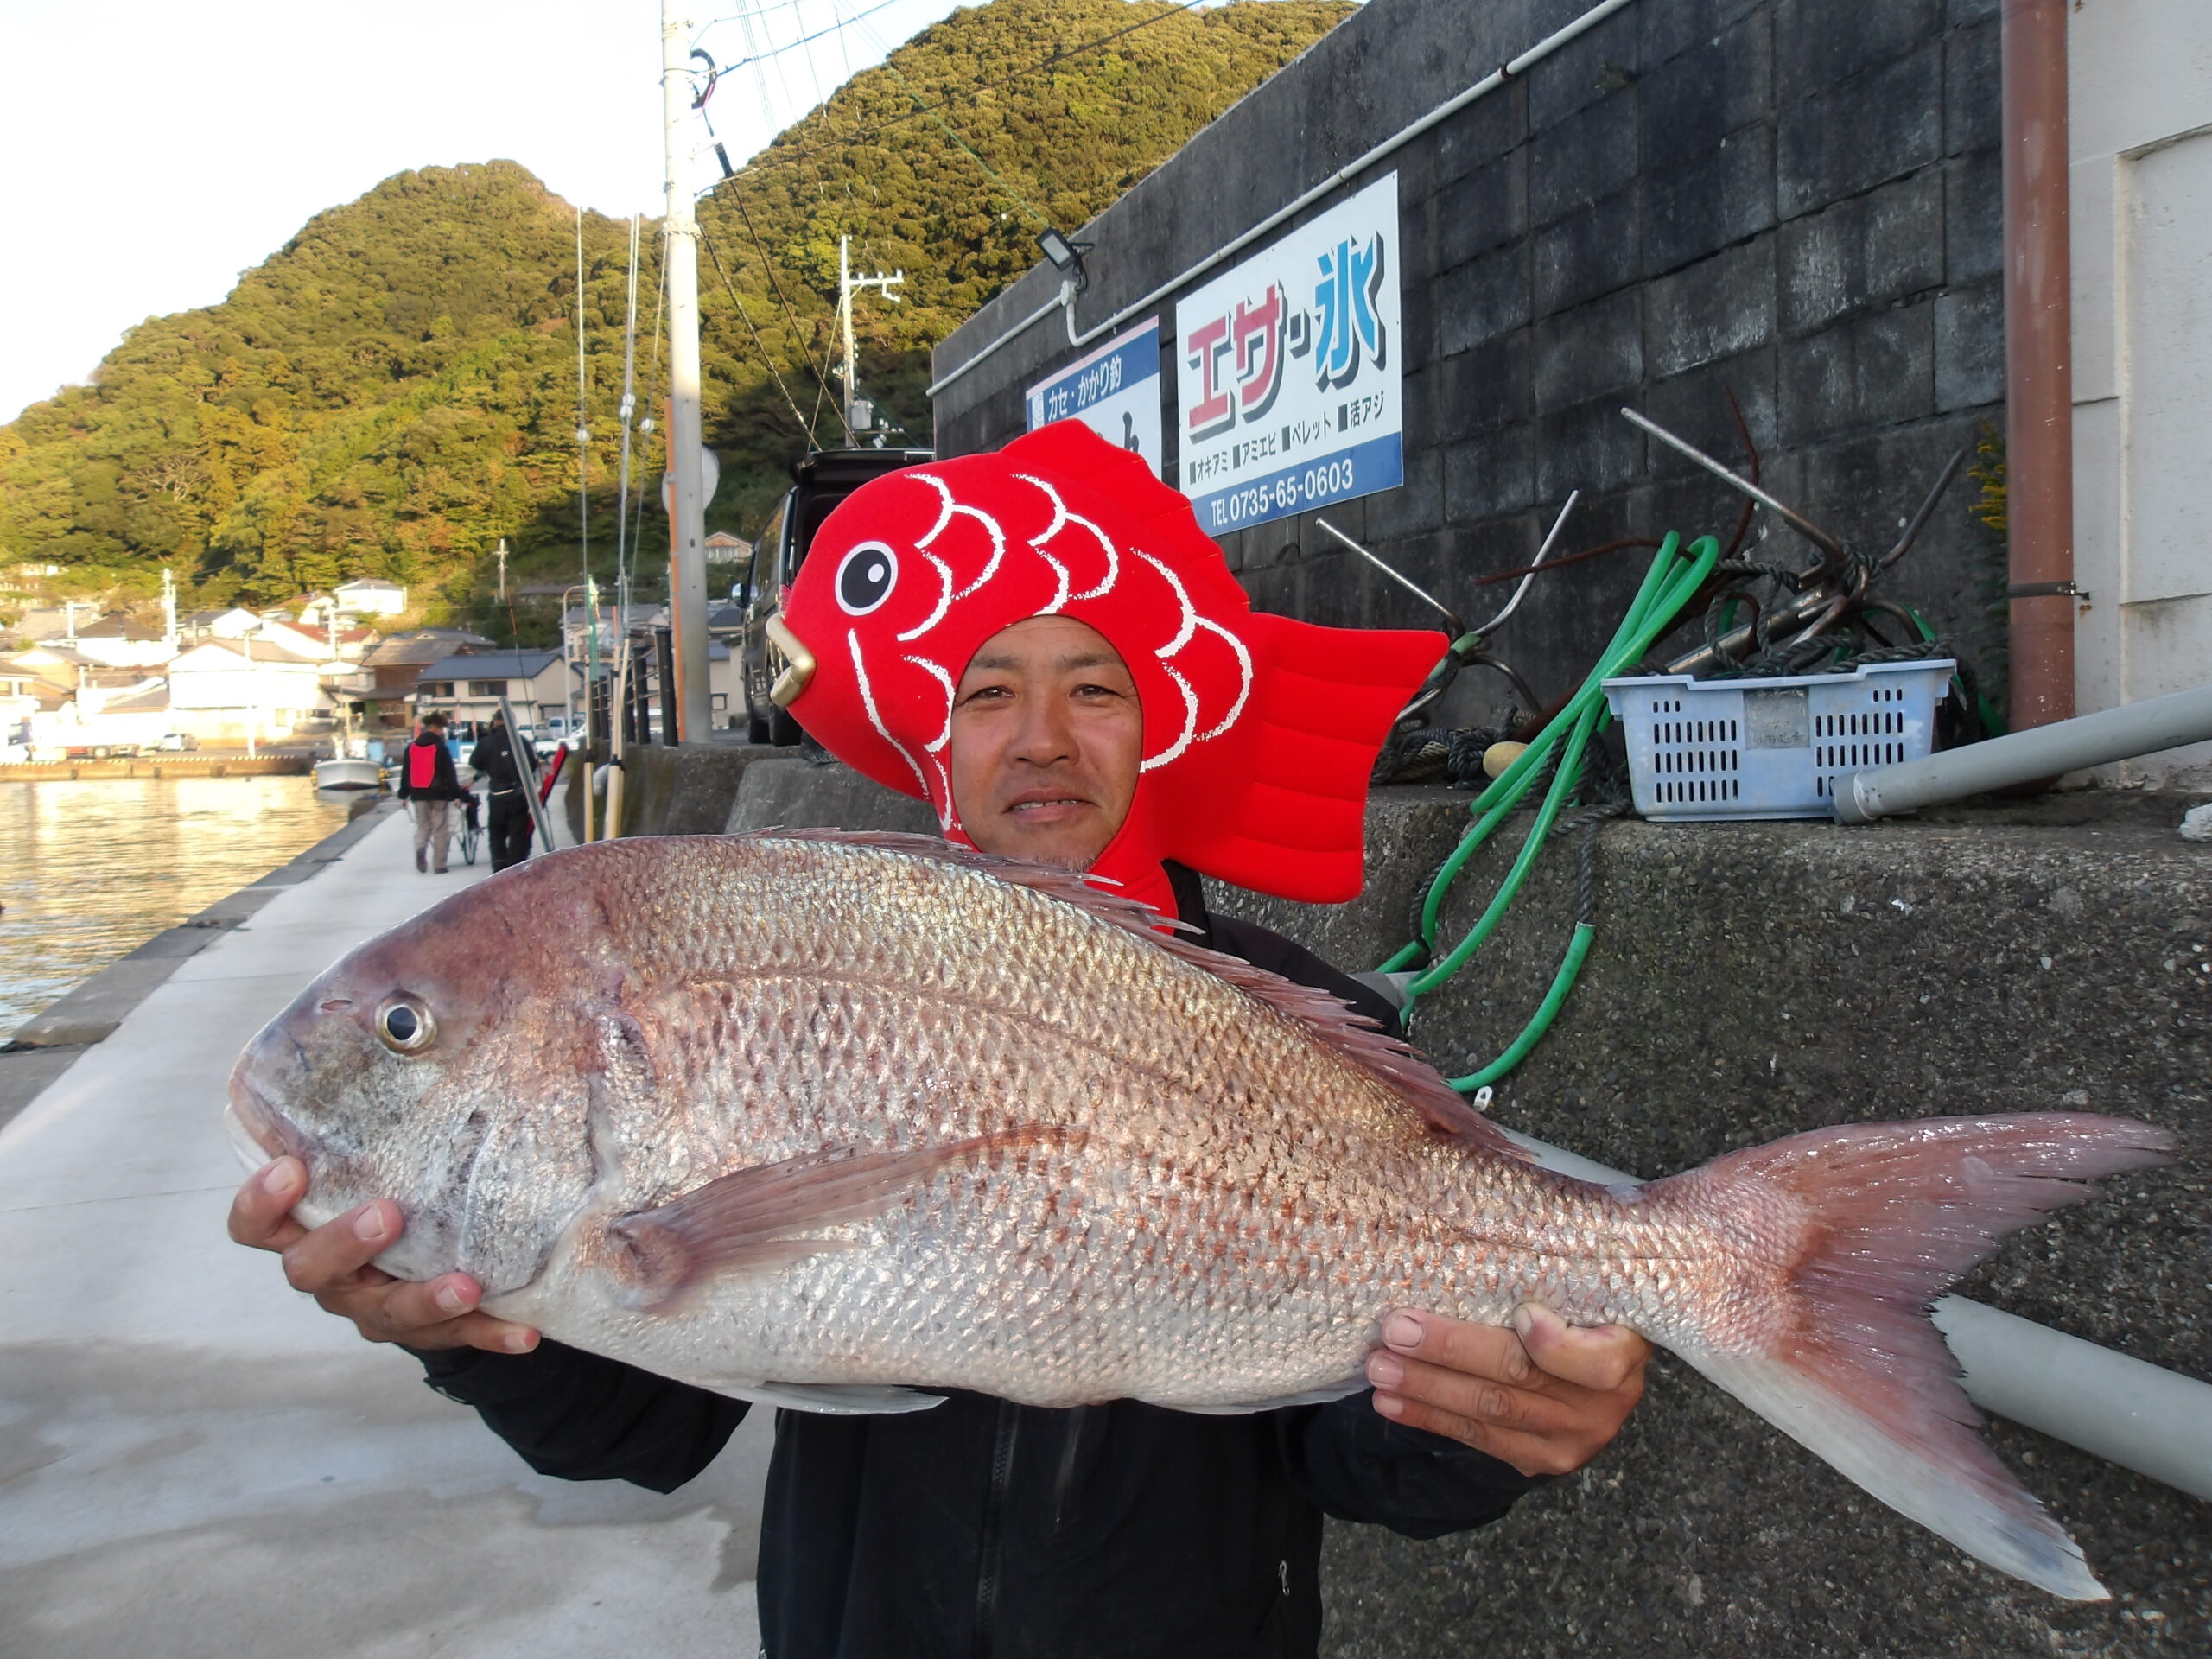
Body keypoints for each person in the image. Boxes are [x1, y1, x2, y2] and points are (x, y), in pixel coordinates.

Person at [231, 426, 1649, 1656]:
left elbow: (1358, 1456)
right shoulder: (824, 955)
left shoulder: (1299, 1020)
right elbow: (639, 1437)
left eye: (1093, 686)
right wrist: (468, 1327)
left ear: (1153, 721)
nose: (1042, 736)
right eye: (988, 690)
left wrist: (1492, 1422)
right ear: (935, 742)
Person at [466, 709, 535, 871]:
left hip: (497, 796)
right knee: (517, 833)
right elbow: (531, 766)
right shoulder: (521, 742)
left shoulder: (486, 742)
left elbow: (474, 762)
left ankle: (498, 866)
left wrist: (490, 767)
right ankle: (515, 867)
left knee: (496, 832)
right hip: (518, 795)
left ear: (495, 722)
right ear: (513, 722)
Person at [395, 711, 463, 874]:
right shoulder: (440, 747)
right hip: (438, 794)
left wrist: (403, 795)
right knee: (440, 828)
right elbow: (449, 773)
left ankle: (420, 848)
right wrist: (456, 795)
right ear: (438, 729)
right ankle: (439, 865)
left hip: (418, 794)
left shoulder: (411, 748)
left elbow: (406, 773)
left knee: (423, 826)